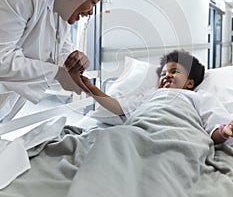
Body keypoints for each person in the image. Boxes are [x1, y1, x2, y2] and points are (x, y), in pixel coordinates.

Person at [0, 0, 115, 122]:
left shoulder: (60, 11)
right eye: (93, 1)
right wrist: (59, 74)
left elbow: (62, 57)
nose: (90, 12)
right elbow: (2, 58)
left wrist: (76, 62)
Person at [79, 50, 233, 144]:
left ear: (189, 83)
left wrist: (224, 131)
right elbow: (119, 108)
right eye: (163, 73)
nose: (167, 76)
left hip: (180, 135)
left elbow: (213, 129)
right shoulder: (151, 95)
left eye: (175, 72)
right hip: (140, 132)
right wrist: (91, 88)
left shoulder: (198, 97)